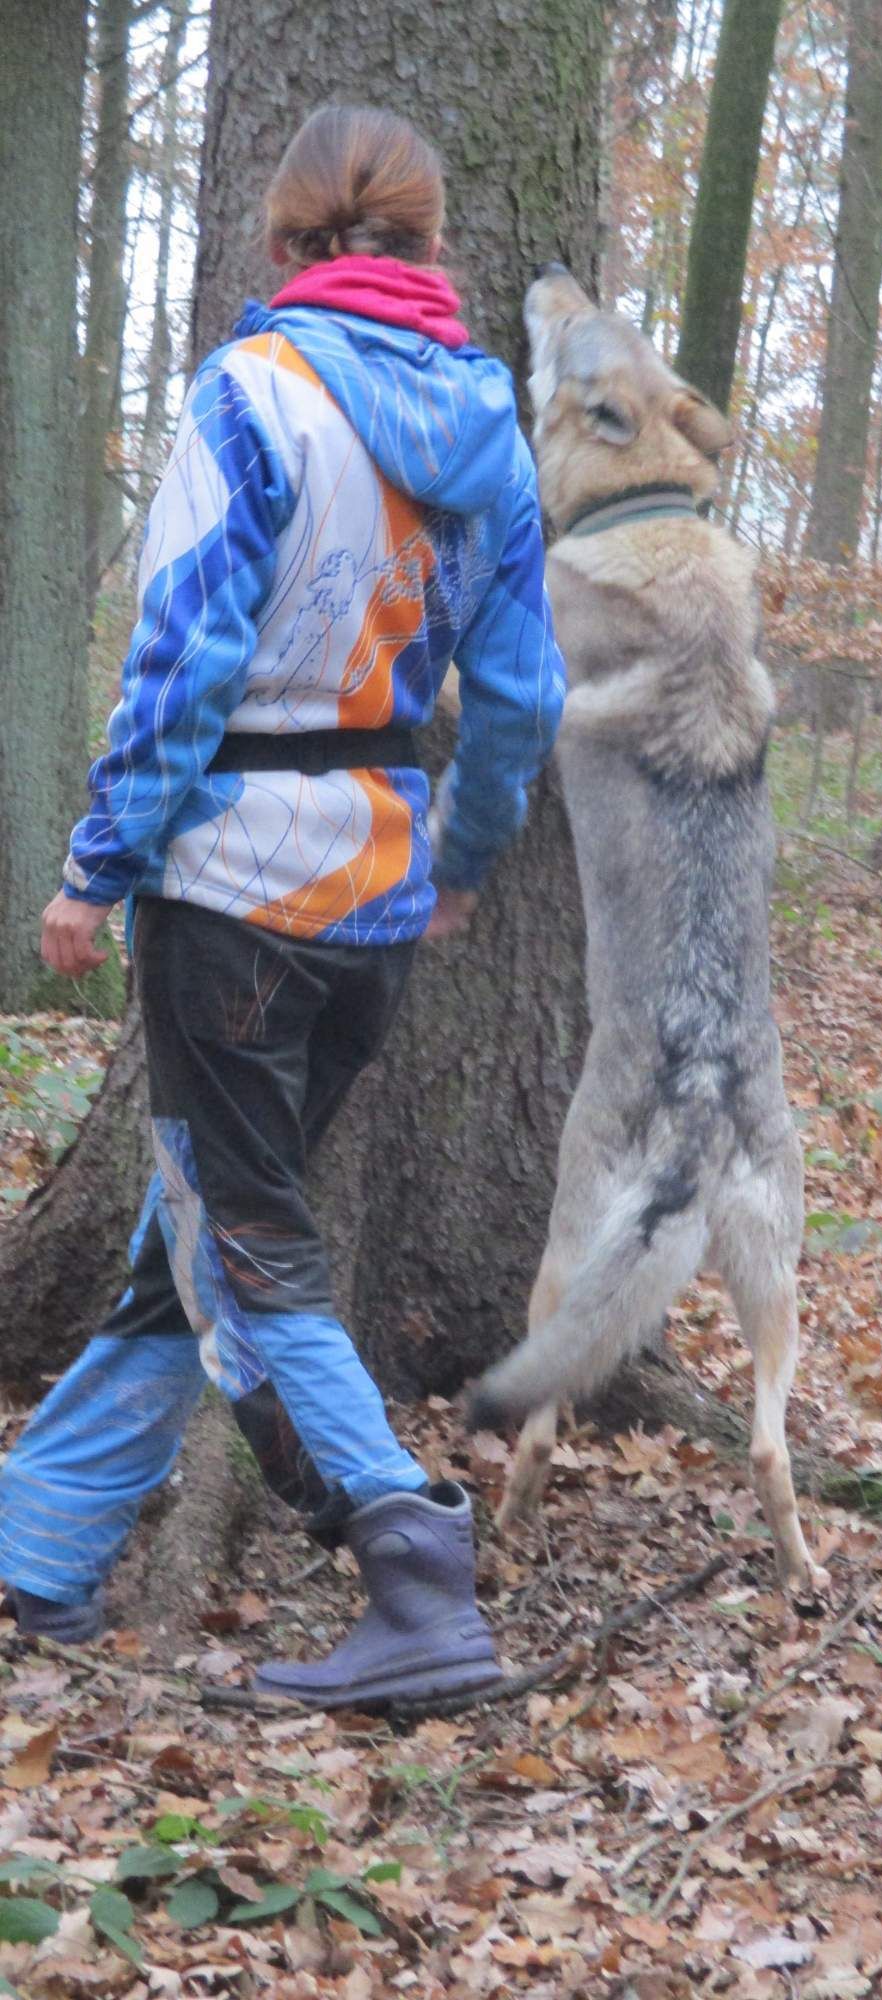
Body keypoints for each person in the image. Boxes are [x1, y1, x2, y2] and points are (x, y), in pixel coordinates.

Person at [0, 105, 565, 1709]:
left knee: (248, 1257)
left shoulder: (255, 392)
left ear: (292, 242)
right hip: (374, 890)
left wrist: (94, 867)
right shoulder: (493, 432)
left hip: (230, 886)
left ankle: (416, 1577)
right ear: (429, 247)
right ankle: (38, 1541)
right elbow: (519, 696)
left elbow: (180, 656)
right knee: (191, 1229)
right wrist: (456, 861)